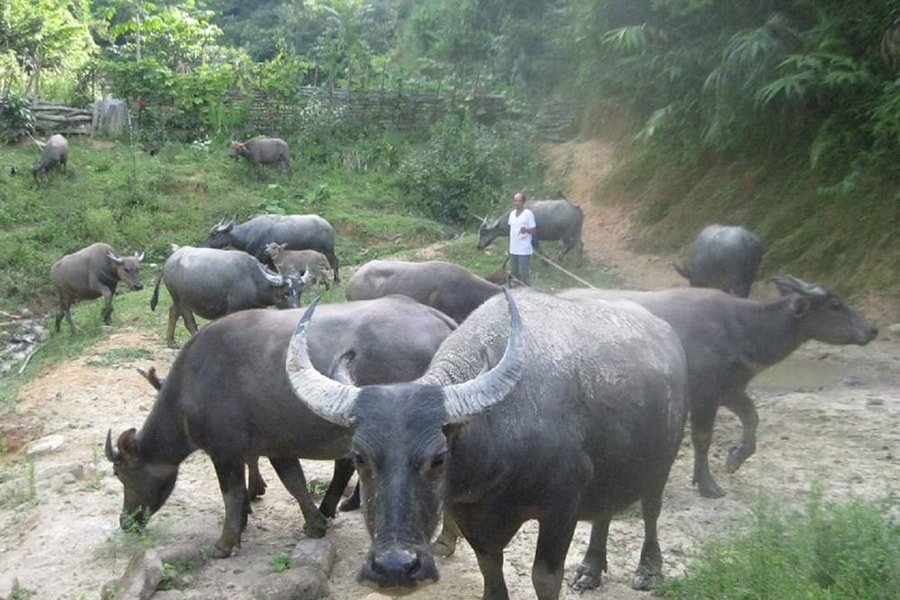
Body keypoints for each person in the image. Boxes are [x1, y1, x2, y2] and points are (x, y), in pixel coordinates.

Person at [507, 191, 536, 286]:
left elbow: (534, 230)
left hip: (524, 249)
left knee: (524, 272)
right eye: (515, 201)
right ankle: (516, 292)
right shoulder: (511, 214)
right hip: (514, 248)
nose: (517, 203)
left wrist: (526, 230)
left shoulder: (528, 214)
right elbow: (511, 231)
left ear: (523, 202)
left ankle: (528, 291)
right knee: (514, 272)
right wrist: (509, 247)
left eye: (519, 201)